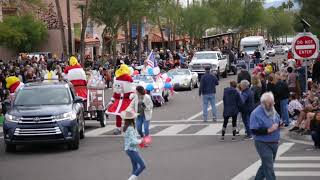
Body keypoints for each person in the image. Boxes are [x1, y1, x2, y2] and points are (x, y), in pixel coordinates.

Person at [250, 92, 281, 180]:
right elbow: (253, 130)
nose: (272, 105)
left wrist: (279, 123)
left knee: (266, 165)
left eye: (273, 102)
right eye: (269, 103)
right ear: (263, 103)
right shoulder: (255, 113)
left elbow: (277, 118)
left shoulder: (272, 109)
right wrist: (269, 130)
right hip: (262, 143)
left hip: (274, 142)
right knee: (268, 166)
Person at [122, 109, 146, 180]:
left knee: (135, 168)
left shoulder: (126, 127)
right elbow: (133, 141)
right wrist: (141, 140)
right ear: (132, 119)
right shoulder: (130, 128)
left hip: (129, 149)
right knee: (142, 166)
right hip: (132, 150)